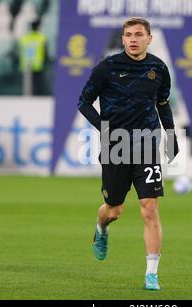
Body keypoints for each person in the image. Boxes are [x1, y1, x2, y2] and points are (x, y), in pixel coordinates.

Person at [77, 18, 179, 291]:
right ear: (122, 40)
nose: (132, 39)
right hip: (116, 146)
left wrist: (170, 134)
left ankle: (151, 274)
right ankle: (101, 229)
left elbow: (163, 103)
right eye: (128, 35)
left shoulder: (158, 68)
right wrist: (103, 128)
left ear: (149, 38)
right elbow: (83, 101)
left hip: (147, 145)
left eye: (138, 34)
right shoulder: (107, 68)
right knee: (114, 210)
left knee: (149, 207)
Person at [19, 19, 47, 96]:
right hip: (38, 64)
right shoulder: (41, 37)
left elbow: (21, 50)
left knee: (27, 87)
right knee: (38, 85)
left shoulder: (25, 38)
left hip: (26, 65)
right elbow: (45, 51)